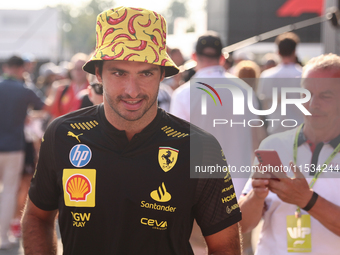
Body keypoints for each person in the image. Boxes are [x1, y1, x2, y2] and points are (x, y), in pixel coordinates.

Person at [22, 7, 242, 255]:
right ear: (98, 74)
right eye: (119, 73)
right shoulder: (62, 134)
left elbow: (225, 246)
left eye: (146, 73)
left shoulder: (201, 148)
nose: (132, 90)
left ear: (161, 75)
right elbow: (37, 217)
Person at [239, 53, 340, 254]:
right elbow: (240, 226)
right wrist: (256, 196)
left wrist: (307, 200)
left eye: (325, 96)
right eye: (306, 94)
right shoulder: (273, 145)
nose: (313, 104)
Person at [170, 31, 260, 255]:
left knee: (197, 249)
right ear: (222, 57)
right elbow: (259, 141)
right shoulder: (245, 90)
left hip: (196, 195)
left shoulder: (183, 94)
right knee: (241, 248)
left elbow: (176, 149)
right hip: (241, 194)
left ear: (194, 56)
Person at [0, 56, 45, 249]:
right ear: (20, 69)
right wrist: (27, 116)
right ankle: (2, 237)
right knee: (9, 192)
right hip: (14, 147)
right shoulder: (24, 90)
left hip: (10, 145)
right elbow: (44, 107)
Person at [257, 32, 303, 135]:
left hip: (275, 130)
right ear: (295, 51)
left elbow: (263, 106)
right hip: (300, 132)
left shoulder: (266, 76)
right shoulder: (304, 75)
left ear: (278, 52)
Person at [47, 53, 91, 119]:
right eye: (75, 68)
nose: (78, 72)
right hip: (66, 127)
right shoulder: (62, 89)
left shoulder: (93, 90)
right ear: (71, 70)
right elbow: (55, 115)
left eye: (81, 68)